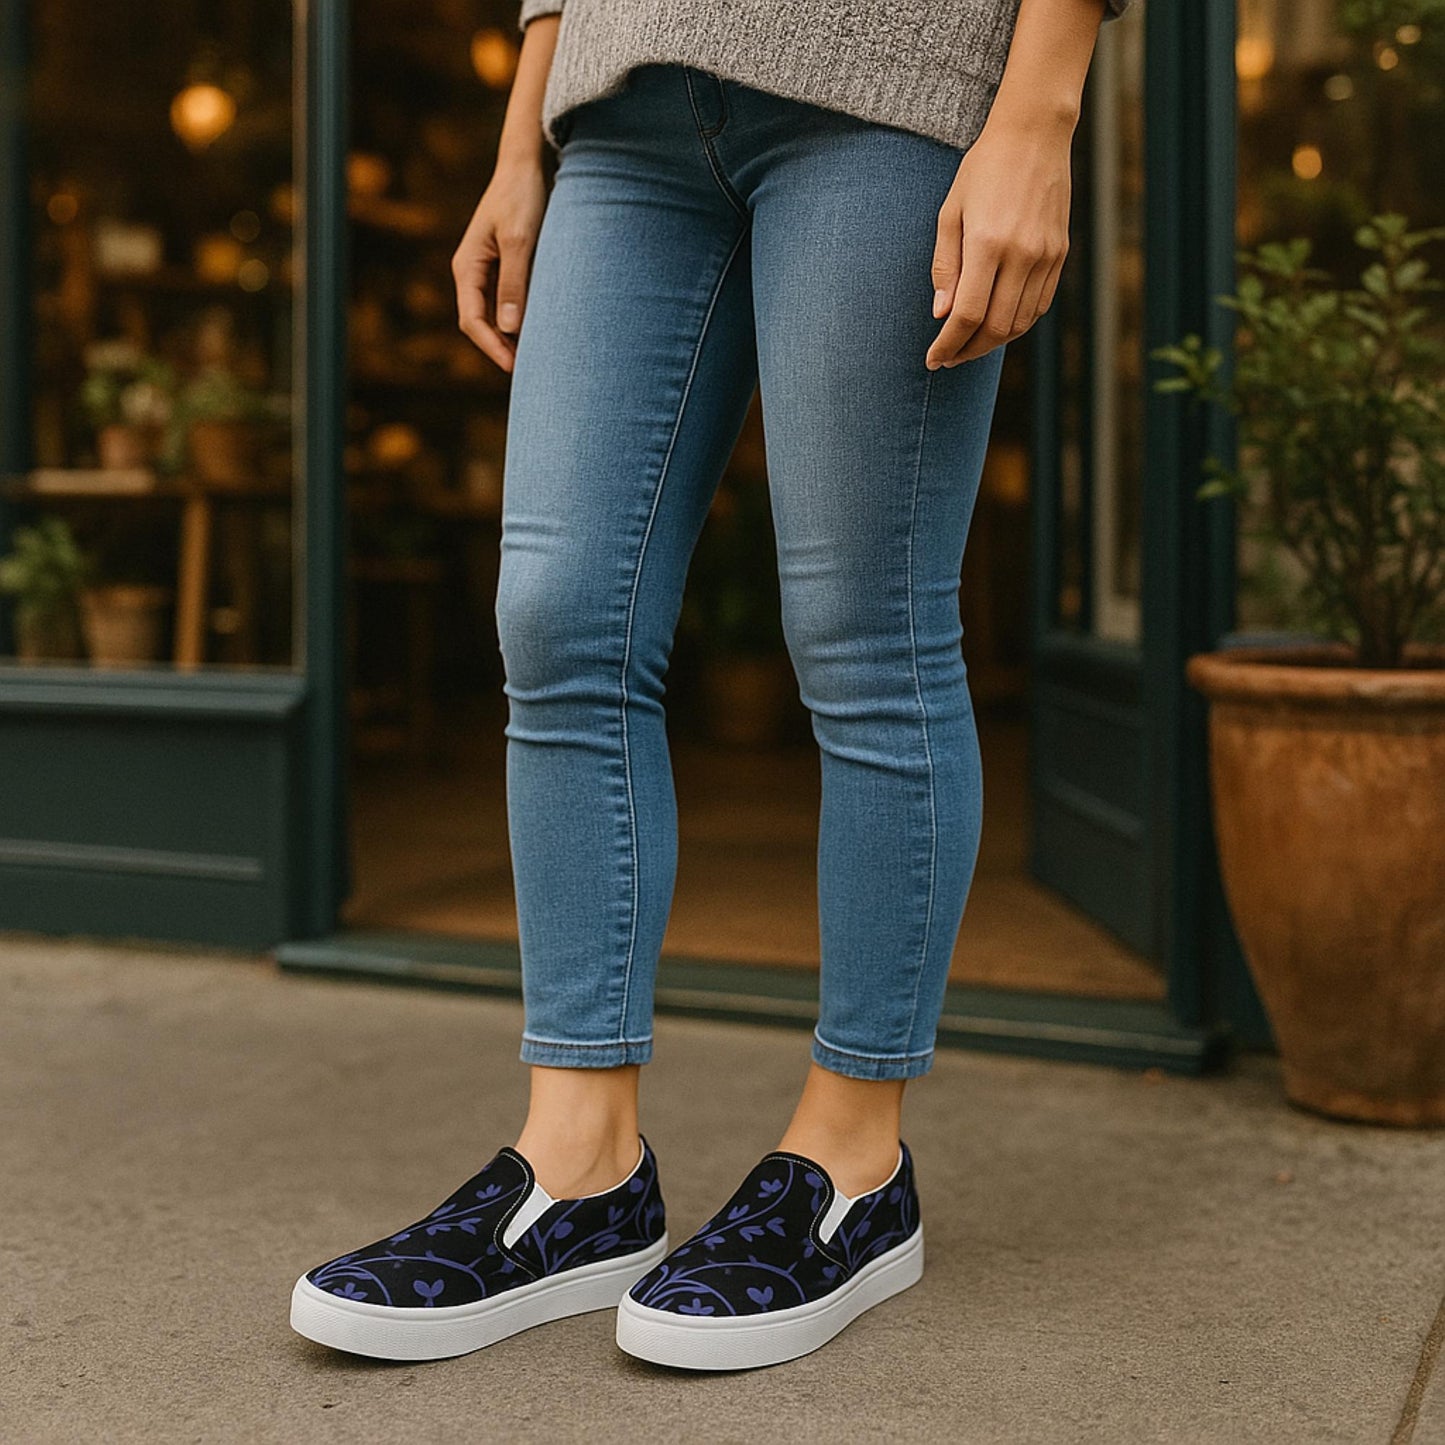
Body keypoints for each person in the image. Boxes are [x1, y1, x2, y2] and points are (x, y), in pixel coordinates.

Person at [291, 0, 1132, 1372]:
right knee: (558, 621)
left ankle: (853, 1160)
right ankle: (580, 1165)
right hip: (620, 106)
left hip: (892, 83)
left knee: (865, 633)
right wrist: (522, 136)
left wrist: (1040, 107)